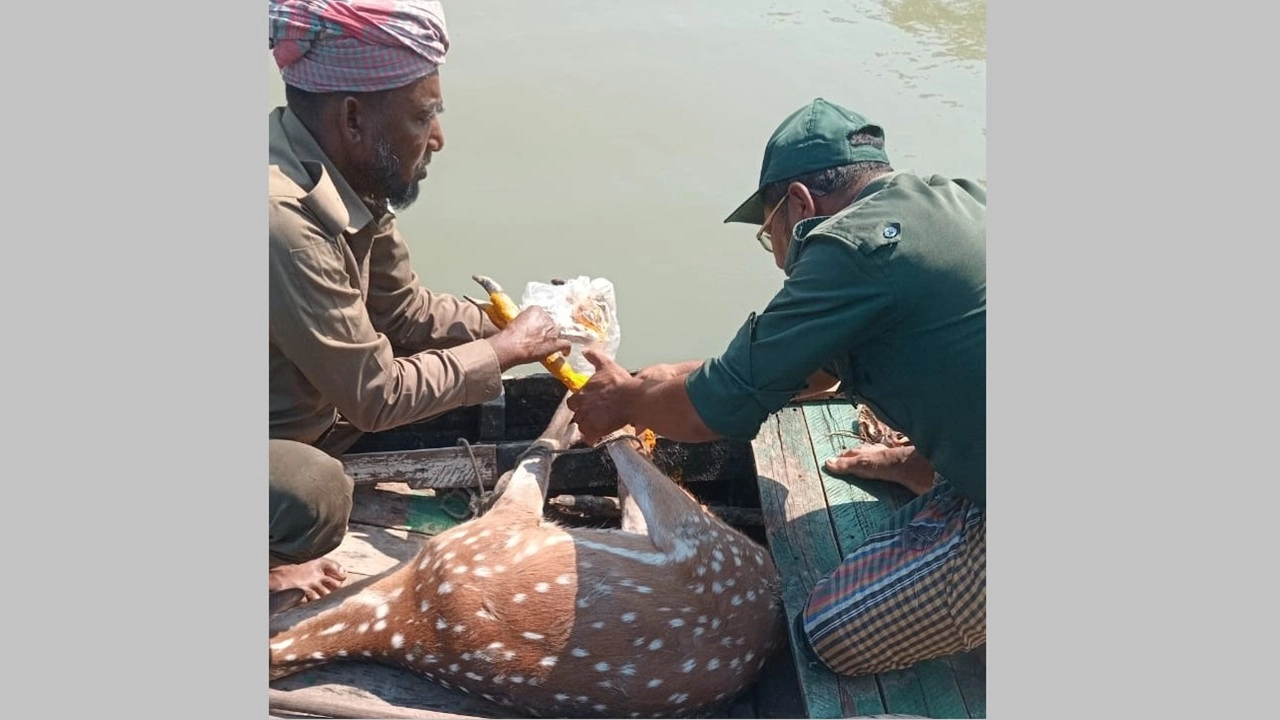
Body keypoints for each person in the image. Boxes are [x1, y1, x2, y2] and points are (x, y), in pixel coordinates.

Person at [567, 97, 985, 677]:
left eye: (770, 235)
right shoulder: (961, 198)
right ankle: (926, 465)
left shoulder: (847, 248)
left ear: (798, 205)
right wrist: (678, 377)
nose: (779, 256)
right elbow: (817, 369)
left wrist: (627, 401)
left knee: (830, 634)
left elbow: (714, 411)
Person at [268, 0, 570, 604]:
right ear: (353, 118)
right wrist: (505, 350)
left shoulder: (342, 179)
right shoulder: (282, 222)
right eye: (421, 116)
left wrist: (526, 323)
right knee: (313, 495)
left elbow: (402, 311)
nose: (437, 138)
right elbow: (376, 396)